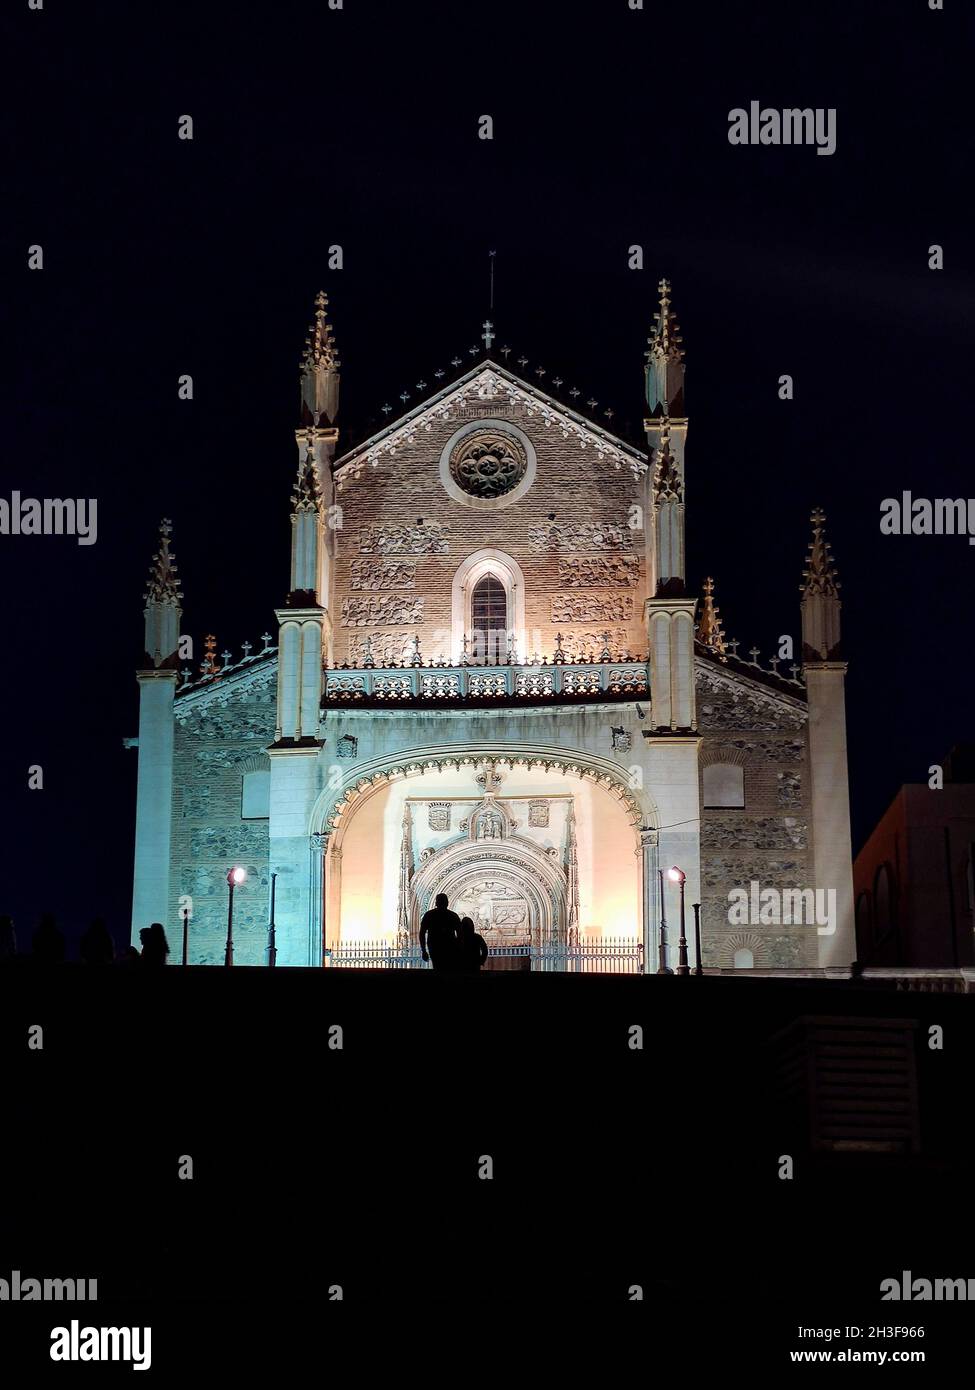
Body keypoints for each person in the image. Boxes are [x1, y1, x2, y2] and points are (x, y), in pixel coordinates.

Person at [419, 893, 460, 971]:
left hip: (436, 947)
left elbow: (422, 933)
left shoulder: (429, 915)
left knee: (438, 969)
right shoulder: (453, 916)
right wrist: (458, 949)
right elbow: (460, 935)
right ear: (447, 903)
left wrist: (423, 950)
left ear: (436, 903)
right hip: (448, 948)